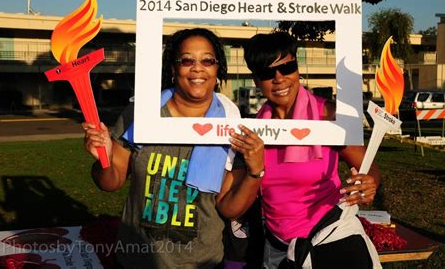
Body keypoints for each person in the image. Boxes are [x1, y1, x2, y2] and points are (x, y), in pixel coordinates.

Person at [82, 28, 264, 268]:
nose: (197, 68)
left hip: (203, 263)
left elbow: (229, 208)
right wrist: (104, 158)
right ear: (172, 68)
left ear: (217, 69)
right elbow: (109, 182)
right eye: (187, 60)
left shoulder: (231, 125)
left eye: (207, 60)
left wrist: (255, 172)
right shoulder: (142, 114)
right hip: (136, 260)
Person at [243, 31, 382, 268]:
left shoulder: (328, 114)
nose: (279, 78)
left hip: (332, 237)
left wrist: (369, 183)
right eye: (267, 72)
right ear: (256, 81)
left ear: (297, 69)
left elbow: (369, 167)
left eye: (287, 68)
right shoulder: (254, 130)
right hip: (279, 248)